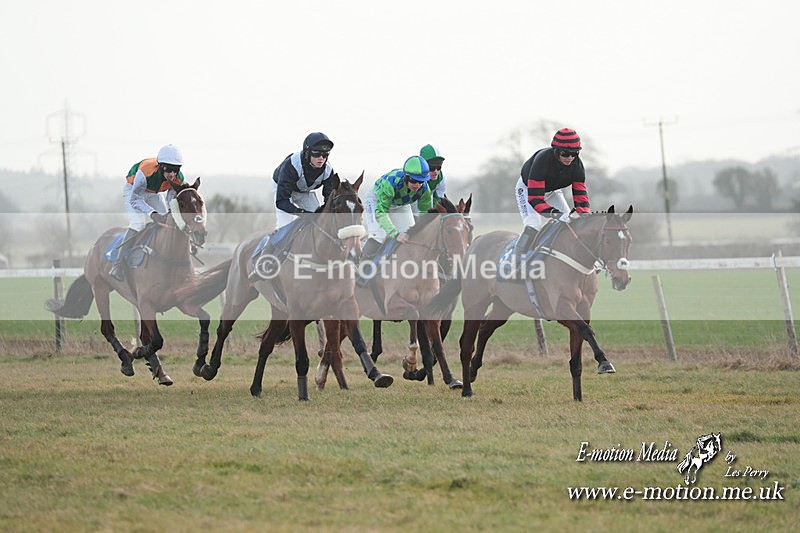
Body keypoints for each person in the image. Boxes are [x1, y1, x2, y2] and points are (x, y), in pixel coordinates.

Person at [510, 127, 590, 261]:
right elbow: (535, 199)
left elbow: (580, 197)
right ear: (556, 151)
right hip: (528, 190)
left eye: (574, 153)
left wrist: (586, 215)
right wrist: (555, 214)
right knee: (533, 224)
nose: (570, 158)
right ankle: (515, 261)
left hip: (552, 191)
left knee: (571, 223)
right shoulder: (542, 161)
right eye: (565, 153)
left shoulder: (577, 165)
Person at [110, 144, 185, 281]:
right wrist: (152, 213)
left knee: (167, 220)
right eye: (169, 170)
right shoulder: (145, 172)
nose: (173, 174)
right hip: (134, 192)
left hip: (154, 193)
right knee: (138, 223)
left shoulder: (178, 178)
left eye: (176, 170)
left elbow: (170, 197)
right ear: (161, 166)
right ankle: (118, 264)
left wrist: (169, 212)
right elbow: (135, 199)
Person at [362, 155, 433, 259]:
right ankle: (359, 268)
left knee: (410, 236)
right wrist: (395, 234)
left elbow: (426, 213)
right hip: (376, 200)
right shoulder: (390, 184)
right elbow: (381, 213)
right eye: (413, 180)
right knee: (379, 236)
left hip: (399, 204)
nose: (417, 185)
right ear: (406, 177)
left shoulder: (425, 189)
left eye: (421, 181)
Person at [272, 132, 336, 230]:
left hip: (303, 191)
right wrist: (301, 213)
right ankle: (270, 244)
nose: (321, 158)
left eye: (325, 154)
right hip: (282, 190)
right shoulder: (292, 166)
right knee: (285, 226)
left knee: (318, 220)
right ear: (307, 153)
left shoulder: (328, 171)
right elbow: (281, 201)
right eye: (316, 153)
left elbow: (329, 199)